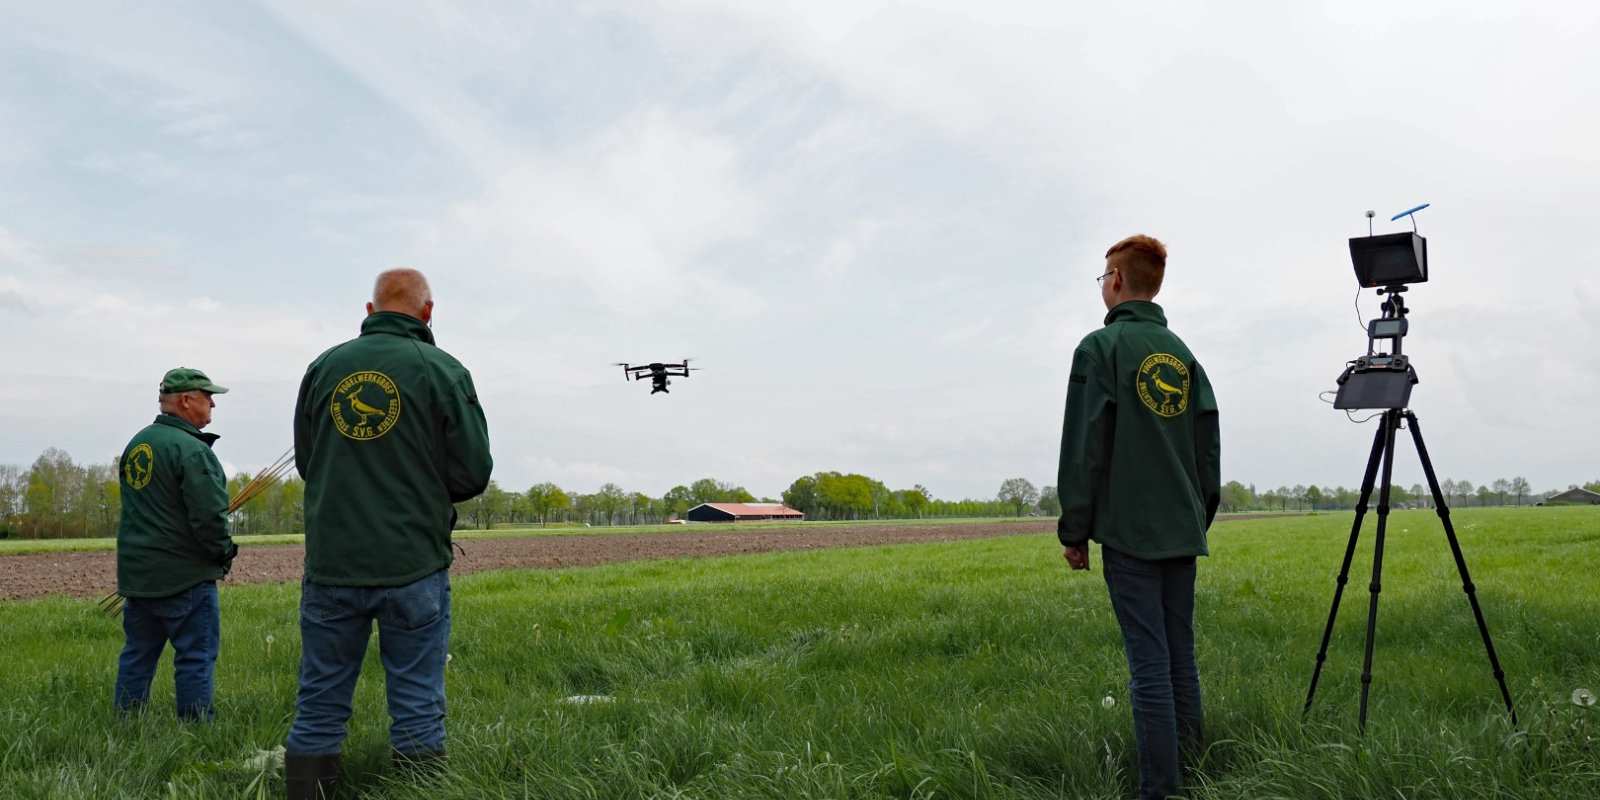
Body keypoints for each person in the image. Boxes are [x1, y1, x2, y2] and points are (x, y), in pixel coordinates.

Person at [286, 268, 492, 800]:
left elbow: (309, 462)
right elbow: (471, 474)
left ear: (370, 310)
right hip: (413, 566)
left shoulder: (325, 367)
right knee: (418, 700)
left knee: (320, 700)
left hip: (332, 563)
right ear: (428, 312)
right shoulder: (443, 370)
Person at [1056, 235, 1221, 800]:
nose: (1102, 284)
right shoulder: (1183, 355)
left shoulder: (1099, 349)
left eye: (1103, 276)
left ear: (1118, 282)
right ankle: (1193, 771)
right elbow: (1207, 449)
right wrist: (1199, 514)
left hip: (1130, 532)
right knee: (1181, 656)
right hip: (1181, 527)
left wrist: (1074, 528)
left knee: (1148, 662)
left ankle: (1160, 789)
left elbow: (1085, 446)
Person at [114, 367, 237, 722]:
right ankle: (196, 737)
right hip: (184, 578)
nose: (213, 403)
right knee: (194, 658)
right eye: (207, 396)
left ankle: (127, 726)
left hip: (138, 576)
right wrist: (223, 554)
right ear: (186, 400)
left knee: (137, 654)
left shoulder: (137, 444)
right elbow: (210, 518)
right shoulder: (192, 451)